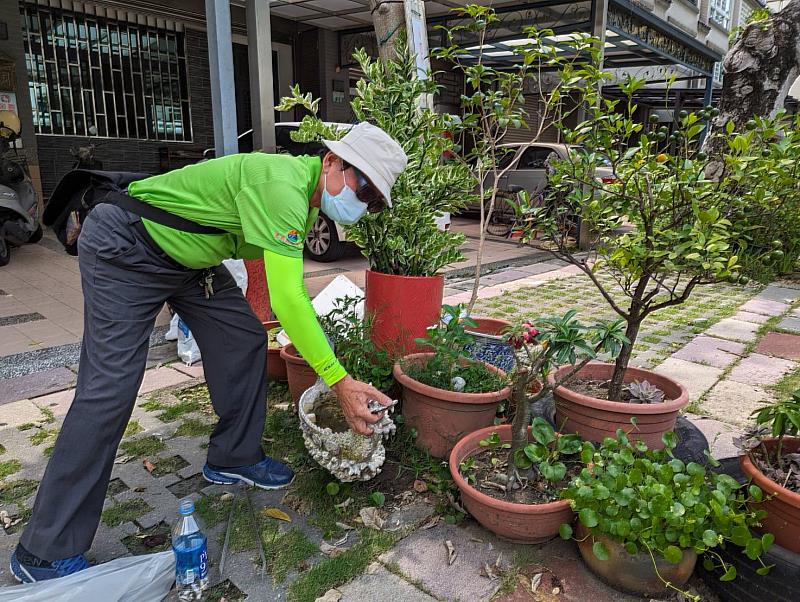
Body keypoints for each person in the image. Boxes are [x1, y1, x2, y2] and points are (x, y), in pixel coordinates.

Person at [10, 122, 408, 582]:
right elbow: (288, 299)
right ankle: (44, 550)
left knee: (242, 337)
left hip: (188, 260)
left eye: (374, 200)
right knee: (109, 391)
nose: (362, 202)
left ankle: (233, 457)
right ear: (333, 162)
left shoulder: (301, 195)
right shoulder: (282, 186)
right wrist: (339, 381)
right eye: (363, 186)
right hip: (127, 245)